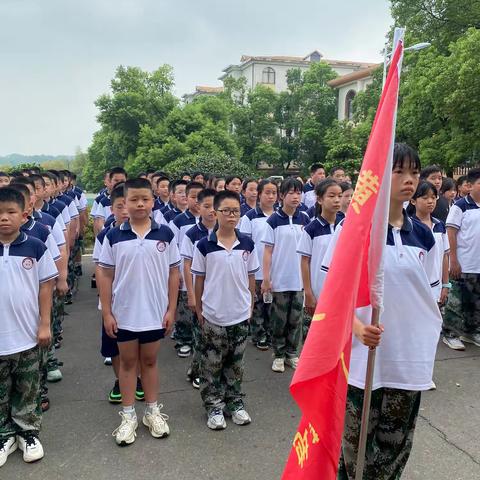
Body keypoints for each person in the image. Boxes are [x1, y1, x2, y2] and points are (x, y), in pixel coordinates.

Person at [334, 144, 442, 480]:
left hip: (406, 363)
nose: (409, 180)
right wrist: (356, 327)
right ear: (379, 176)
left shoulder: (423, 236)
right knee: (354, 454)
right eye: (399, 172)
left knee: (393, 450)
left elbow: (429, 298)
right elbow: (334, 297)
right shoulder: (356, 231)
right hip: (363, 364)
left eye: (414, 172)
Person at [97, 178, 180, 446]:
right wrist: (107, 312)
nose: (140, 204)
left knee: (151, 362)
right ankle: (129, 415)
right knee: (129, 363)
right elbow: (105, 275)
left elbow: (173, 273)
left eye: (145, 199)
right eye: (133, 200)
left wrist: (171, 309)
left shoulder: (165, 234)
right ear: (124, 204)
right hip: (125, 314)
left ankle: (152, 411)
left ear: (153, 201)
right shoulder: (114, 236)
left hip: (155, 313)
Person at [0, 187, 58, 466]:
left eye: (10, 212)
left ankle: (27, 433)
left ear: (24, 215)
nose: (4, 218)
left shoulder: (35, 247)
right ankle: (4, 434)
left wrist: (45, 324)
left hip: (26, 334)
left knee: (28, 387)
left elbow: (46, 286)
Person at [192, 190, 259, 430]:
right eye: (226, 211)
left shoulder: (247, 244)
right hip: (214, 314)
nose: (232, 216)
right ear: (215, 213)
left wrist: (250, 304)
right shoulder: (204, 245)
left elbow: (251, 277)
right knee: (212, 363)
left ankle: (235, 403)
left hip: (240, 313)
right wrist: (199, 308)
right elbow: (199, 279)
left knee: (236, 363)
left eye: (236, 211)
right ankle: (213, 406)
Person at [92, 184, 143, 403]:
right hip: (113, 301)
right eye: (119, 206)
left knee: (138, 343)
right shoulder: (106, 235)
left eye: (127, 205)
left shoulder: (147, 232)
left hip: (138, 300)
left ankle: (137, 378)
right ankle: (119, 380)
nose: (124, 210)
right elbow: (100, 268)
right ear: (111, 209)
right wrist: (105, 303)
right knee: (113, 344)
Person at [261, 178, 309, 373]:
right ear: (282, 196)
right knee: (279, 320)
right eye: (291, 193)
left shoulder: (304, 218)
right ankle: (278, 355)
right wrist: (266, 278)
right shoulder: (273, 220)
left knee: (296, 319)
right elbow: (267, 252)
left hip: (298, 280)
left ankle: (292, 353)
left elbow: (308, 252)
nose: (296, 196)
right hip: (280, 279)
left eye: (298, 193)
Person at [180, 188, 217, 388]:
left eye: (214, 206)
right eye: (207, 206)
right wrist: (191, 294)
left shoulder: (225, 232)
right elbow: (186, 264)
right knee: (200, 333)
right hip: (198, 290)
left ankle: (199, 368)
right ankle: (200, 371)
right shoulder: (192, 234)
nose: (212, 210)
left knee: (214, 335)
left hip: (218, 292)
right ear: (198, 207)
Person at [443, 167, 480, 350]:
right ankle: (450, 334)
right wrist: (454, 260)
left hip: (478, 263)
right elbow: (451, 232)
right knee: (456, 302)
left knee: (476, 301)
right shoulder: (460, 206)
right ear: (470, 186)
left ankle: (472, 331)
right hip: (464, 262)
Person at [239, 179, 278, 350]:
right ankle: (258, 334)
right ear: (260, 194)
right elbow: (245, 245)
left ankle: (270, 333)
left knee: (273, 305)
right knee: (258, 304)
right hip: (257, 269)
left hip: (276, 269)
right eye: (267, 193)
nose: (270, 196)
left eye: (274, 193)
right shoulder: (250, 217)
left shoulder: (280, 216)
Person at [298, 179, 342, 323]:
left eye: (339, 196)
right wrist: (308, 292)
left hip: (340, 290)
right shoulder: (311, 229)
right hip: (319, 290)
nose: (337, 200)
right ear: (320, 199)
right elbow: (305, 262)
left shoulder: (345, 226)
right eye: (331, 196)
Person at [170, 181, 204, 358]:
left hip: (205, 276)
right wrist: (177, 273)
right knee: (185, 308)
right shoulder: (179, 221)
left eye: (201, 197)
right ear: (186, 198)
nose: (197, 201)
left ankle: (201, 339)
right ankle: (184, 340)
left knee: (202, 306)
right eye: (193, 197)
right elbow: (173, 247)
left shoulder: (211, 221)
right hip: (186, 272)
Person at [410, 181, 450, 306]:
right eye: (425, 197)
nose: (430, 201)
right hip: (414, 289)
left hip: (436, 287)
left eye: (433, 197)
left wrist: (445, 284)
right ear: (413, 201)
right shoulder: (408, 227)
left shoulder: (439, 225)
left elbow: (444, 255)